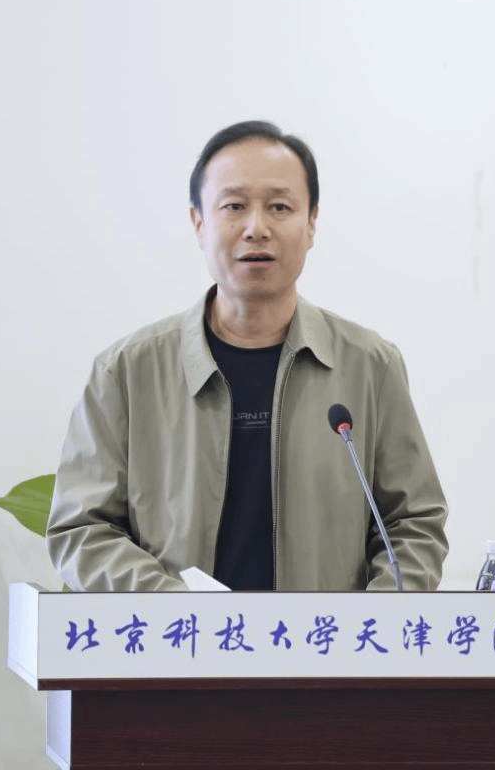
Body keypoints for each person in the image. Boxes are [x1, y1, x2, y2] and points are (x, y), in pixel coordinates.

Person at [46, 120, 448, 592]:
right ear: (199, 223)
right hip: (179, 638)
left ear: (312, 223)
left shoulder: (370, 366)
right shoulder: (127, 372)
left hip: (323, 641)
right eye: (234, 206)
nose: (257, 228)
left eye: (280, 207)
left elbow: (413, 524)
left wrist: (368, 623)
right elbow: (82, 529)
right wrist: (175, 609)